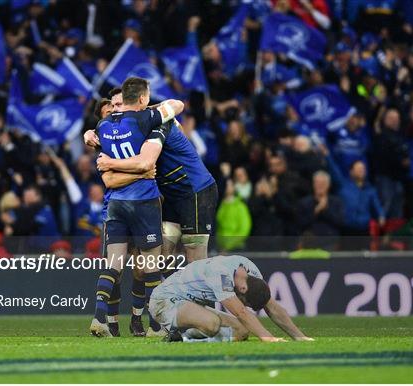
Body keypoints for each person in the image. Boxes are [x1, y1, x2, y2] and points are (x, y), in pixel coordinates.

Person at [89, 77, 184, 338]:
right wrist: (152, 107)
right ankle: (155, 326)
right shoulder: (144, 119)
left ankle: (99, 319)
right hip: (143, 201)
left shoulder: (103, 124)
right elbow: (177, 105)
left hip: (116, 203)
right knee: (151, 265)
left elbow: (96, 142)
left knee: (113, 264)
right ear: (142, 99)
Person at [85, 87, 218, 265]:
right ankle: (178, 290)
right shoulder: (122, 132)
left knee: (195, 256)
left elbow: (146, 163)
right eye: (112, 109)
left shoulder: (155, 121)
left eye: (119, 105)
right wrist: (89, 132)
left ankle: (210, 292)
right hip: (170, 195)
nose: (115, 111)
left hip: (194, 190)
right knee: (160, 258)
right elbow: (110, 178)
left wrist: (110, 163)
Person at [149, 254, 313, 343]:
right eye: (244, 301)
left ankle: (183, 338)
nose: (243, 304)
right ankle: (182, 333)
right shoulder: (220, 273)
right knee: (211, 323)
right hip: (165, 300)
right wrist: (268, 338)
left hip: (192, 305)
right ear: (242, 289)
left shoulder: (251, 272)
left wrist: (300, 337)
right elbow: (241, 312)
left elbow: (272, 307)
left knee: (241, 331)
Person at [296, 171, 344, 248]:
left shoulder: (336, 202)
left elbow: (340, 223)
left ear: (328, 185)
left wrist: (326, 210)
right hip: (310, 244)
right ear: (313, 184)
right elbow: (301, 224)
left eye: (323, 183)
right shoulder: (304, 203)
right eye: (318, 183)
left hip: (330, 242)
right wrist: (316, 211)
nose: (320, 186)